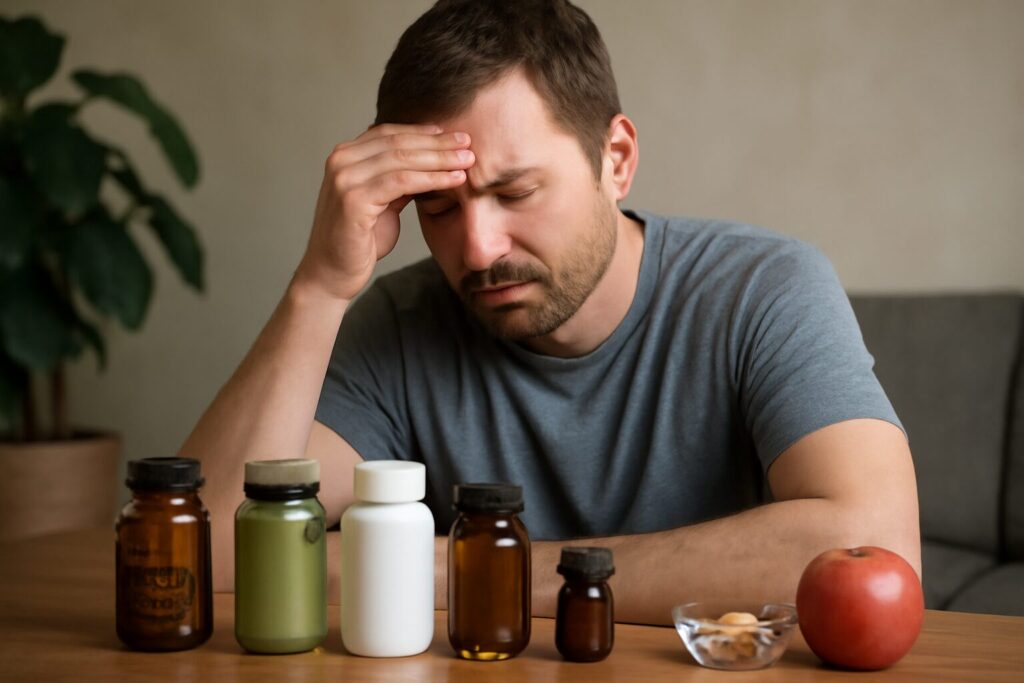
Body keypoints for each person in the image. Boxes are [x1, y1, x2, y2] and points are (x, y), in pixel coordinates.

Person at [182, 0, 920, 626]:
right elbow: (209, 551)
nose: (477, 249)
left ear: (617, 158)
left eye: (515, 193)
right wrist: (320, 286)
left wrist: (484, 568)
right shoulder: (398, 324)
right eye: (437, 207)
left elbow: (875, 543)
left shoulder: (765, 288)